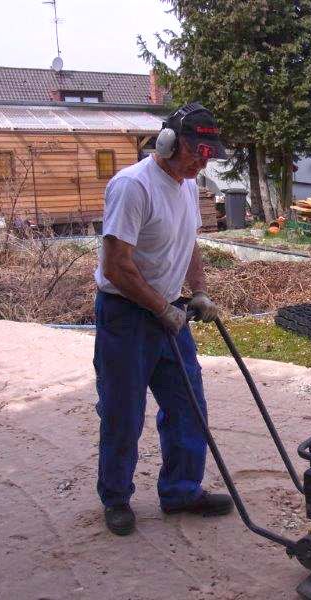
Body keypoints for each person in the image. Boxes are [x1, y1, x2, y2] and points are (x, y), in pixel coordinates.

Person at [93, 102, 231, 536]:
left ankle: (181, 492)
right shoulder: (132, 187)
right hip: (127, 316)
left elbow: (188, 243)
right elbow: (117, 266)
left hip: (170, 312)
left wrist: (200, 291)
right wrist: (161, 308)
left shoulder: (188, 184)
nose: (200, 161)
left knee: (189, 406)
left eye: (207, 154)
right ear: (168, 142)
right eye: (194, 151)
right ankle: (116, 498)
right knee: (123, 412)